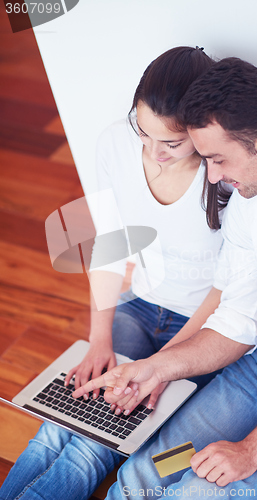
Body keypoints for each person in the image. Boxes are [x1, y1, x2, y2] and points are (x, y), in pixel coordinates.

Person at [75, 57, 257, 499]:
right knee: (145, 473)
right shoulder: (252, 199)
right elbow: (236, 318)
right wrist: (154, 370)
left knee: (200, 491)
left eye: (216, 159)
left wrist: (250, 450)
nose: (212, 176)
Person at [0, 47, 232, 500]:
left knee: (93, 443)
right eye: (143, 132)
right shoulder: (113, 142)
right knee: (60, 423)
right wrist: (99, 340)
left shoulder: (226, 174)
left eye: (172, 143)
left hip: (203, 329)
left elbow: (227, 291)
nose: (152, 151)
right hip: (140, 305)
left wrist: (164, 367)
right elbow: (108, 244)